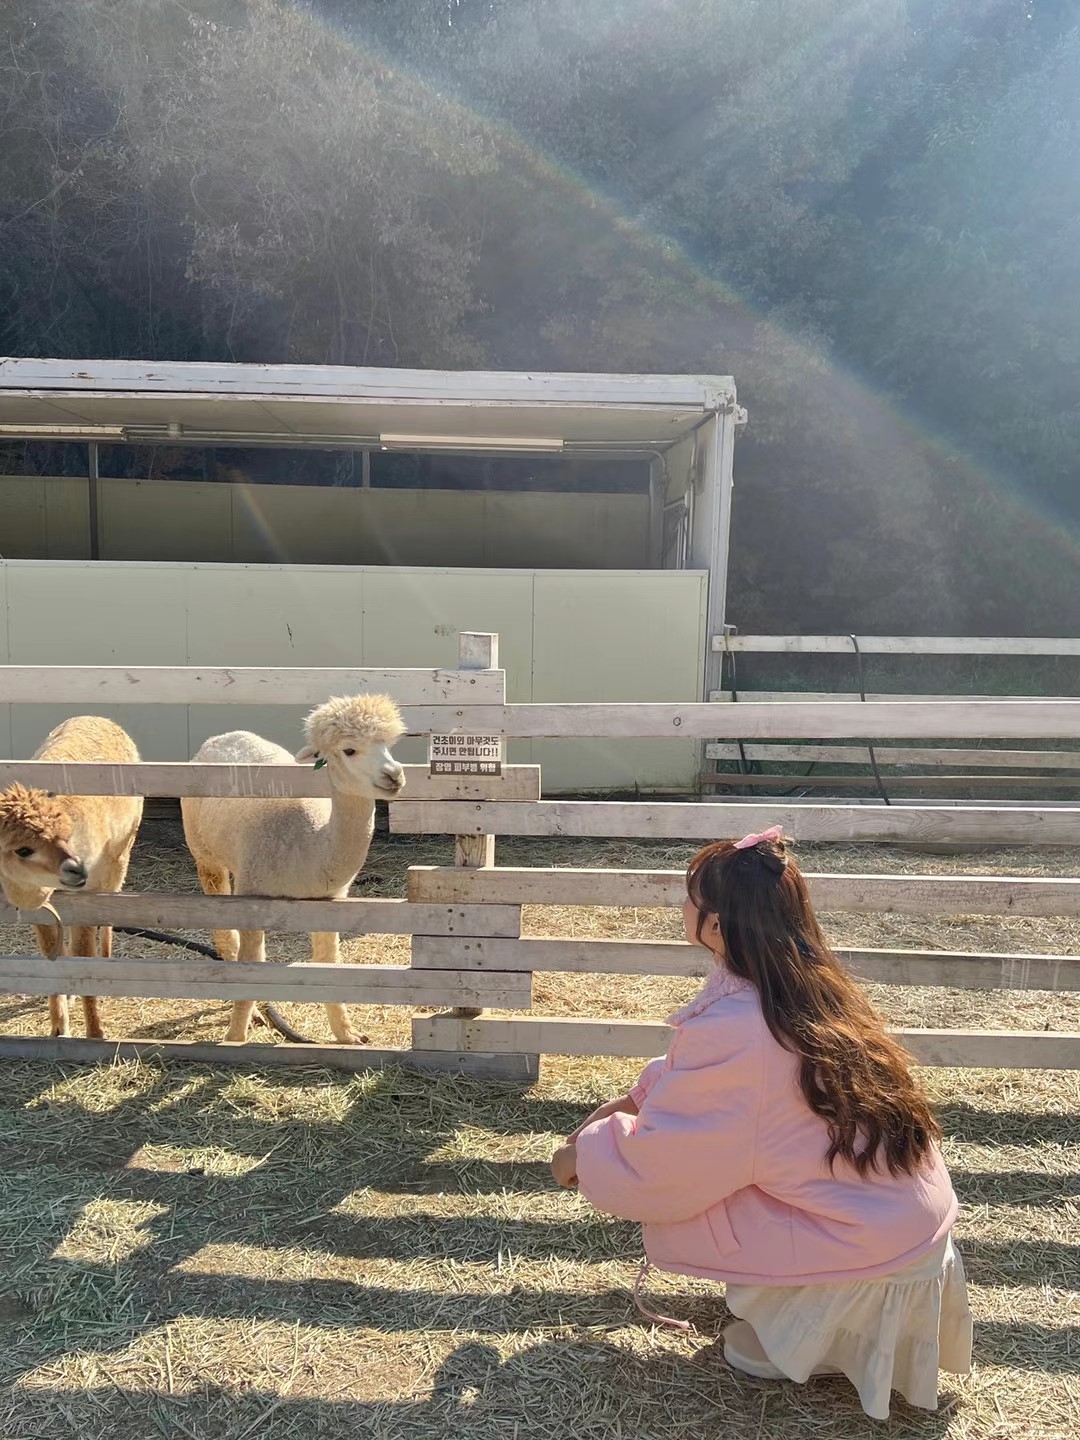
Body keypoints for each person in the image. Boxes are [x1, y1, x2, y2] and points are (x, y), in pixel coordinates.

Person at [550, 826, 972, 1421]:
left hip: (874, 1261)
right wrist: (635, 1099)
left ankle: (825, 1336)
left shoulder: (741, 1027)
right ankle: (809, 1313)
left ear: (718, 927)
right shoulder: (803, 987)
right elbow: (719, 1089)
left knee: (723, 1237)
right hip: (905, 1232)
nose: (682, 908)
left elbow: (668, 1163)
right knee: (740, 1172)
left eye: (691, 899)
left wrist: (584, 1156)